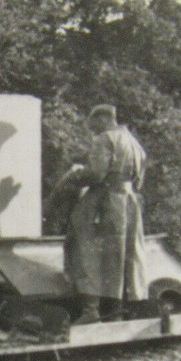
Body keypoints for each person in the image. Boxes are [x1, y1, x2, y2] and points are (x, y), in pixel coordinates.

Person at [55, 104, 148, 324]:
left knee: (85, 248)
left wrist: (74, 176)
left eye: (93, 124)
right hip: (128, 201)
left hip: (103, 201)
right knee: (122, 254)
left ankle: (91, 311)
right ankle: (116, 309)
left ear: (105, 118)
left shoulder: (106, 139)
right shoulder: (134, 142)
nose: (92, 130)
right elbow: (140, 179)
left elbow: (96, 174)